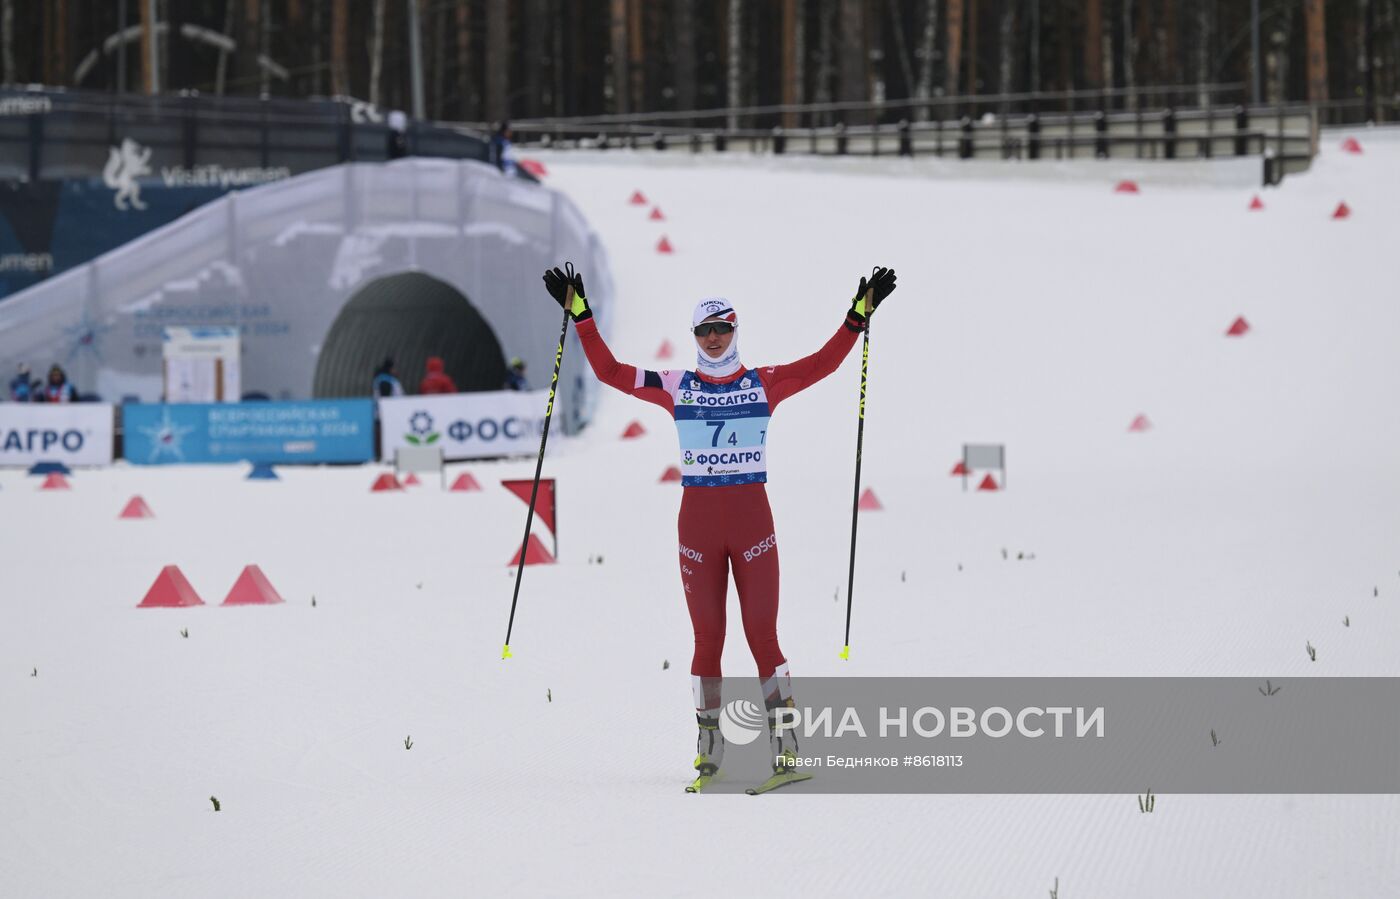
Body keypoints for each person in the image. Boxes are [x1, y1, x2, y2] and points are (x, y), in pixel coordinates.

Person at [541, 263, 897, 793]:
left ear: (735, 330)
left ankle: (785, 751)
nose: (712, 339)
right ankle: (710, 752)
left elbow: (821, 365)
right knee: (707, 639)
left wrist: (856, 317)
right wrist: (582, 317)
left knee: (762, 636)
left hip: (753, 525)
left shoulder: (764, 383)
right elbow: (612, 373)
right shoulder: (678, 385)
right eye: (703, 331)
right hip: (698, 529)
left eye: (721, 328)